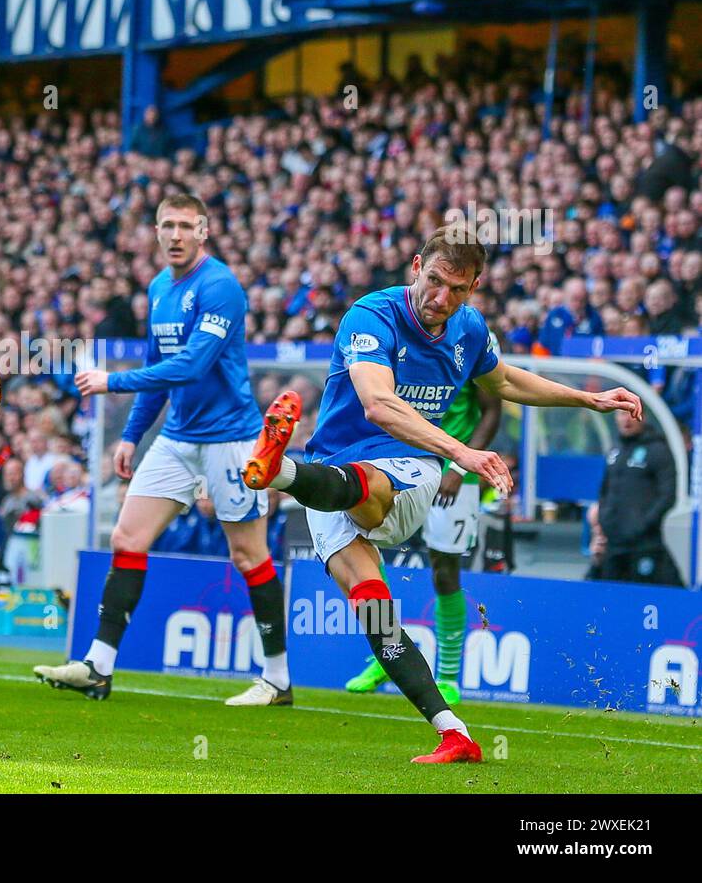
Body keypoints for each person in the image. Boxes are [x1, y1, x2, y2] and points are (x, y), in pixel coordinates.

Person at [240, 225, 640, 762]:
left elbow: (506, 383)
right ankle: (456, 734)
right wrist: (465, 451)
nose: (441, 298)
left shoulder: (468, 330)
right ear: (415, 266)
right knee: (375, 614)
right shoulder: (371, 316)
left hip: (409, 467)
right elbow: (378, 403)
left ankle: (280, 472)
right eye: (434, 281)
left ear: (474, 288)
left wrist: (588, 400)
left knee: (372, 494)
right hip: (333, 472)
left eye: (458, 289)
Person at [35, 193, 293, 706]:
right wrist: (132, 434)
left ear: (203, 230)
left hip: (230, 441)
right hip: (176, 439)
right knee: (128, 538)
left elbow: (193, 365)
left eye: (184, 226)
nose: (175, 235)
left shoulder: (220, 287)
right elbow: (160, 373)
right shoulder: (158, 289)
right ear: (155, 232)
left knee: (249, 555)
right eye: (166, 226)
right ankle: (98, 667)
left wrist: (113, 381)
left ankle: (278, 678)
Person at [345, 340, 503, 705]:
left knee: (445, 570)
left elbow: (492, 411)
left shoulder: (476, 340)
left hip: (453, 471)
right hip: (400, 459)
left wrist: (462, 467)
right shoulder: (399, 330)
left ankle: (448, 676)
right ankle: (386, 652)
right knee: (364, 547)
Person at [587, 409, 681, 586]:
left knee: (644, 599)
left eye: (631, 414)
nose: (626, 419)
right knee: (609, 600)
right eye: (621, 414)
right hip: (613, 544)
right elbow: (604, 491)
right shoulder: (615, 451)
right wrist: (604, 520)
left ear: (642, 417)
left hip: (644, 545)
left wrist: (641, 525)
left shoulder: (658, 450)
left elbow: (668, 496)